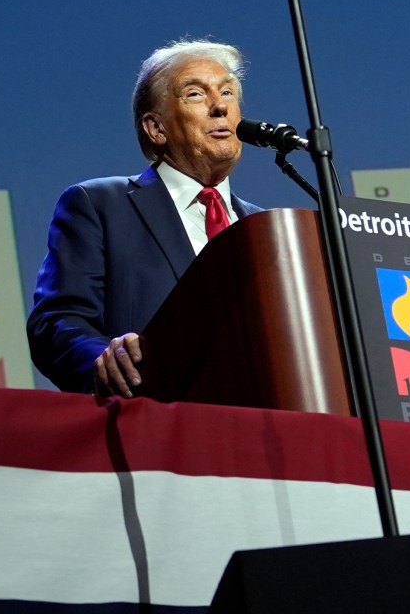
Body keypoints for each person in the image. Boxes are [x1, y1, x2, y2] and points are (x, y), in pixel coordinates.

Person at [26, 41, 262, 396]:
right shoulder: (100, 205)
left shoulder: (263, 228)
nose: (220, 107)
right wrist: (104, 360)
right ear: (156, 128)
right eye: (196, 94)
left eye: (227, 91)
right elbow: (56, 321)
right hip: (156, 421)